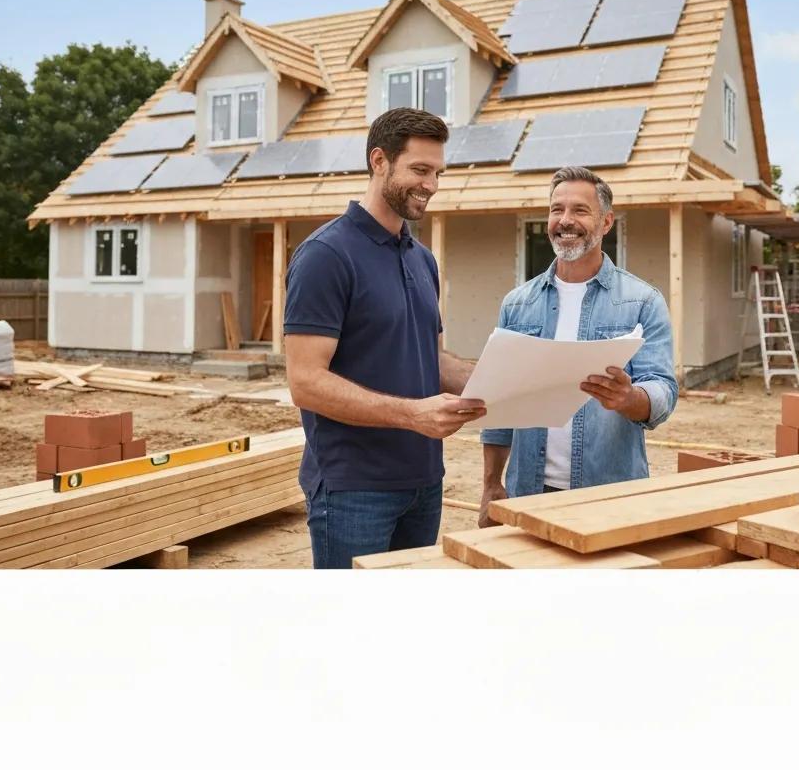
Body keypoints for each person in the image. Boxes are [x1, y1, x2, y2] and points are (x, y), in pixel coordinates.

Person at [284, 107, 486, 569]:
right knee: (351, 632)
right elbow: (305, 382)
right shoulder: (326, 256)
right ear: (379, 161)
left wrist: (496, 379)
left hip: (423, 483)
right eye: (419, 169)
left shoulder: (422, 260)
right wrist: (413, 415)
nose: (431, 185)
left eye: (437, 173)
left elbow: (428, 360)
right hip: (354, 489)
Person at [478, 166, 678, 526]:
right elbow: (500, 404)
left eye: (579, 211)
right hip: (529, 493)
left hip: (609, 495)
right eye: (557, 209)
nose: (565, 220)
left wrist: (630, 398)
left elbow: (664, 389)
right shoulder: (517, 304)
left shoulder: (642, 302)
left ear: (606, 222)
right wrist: (492, 484)